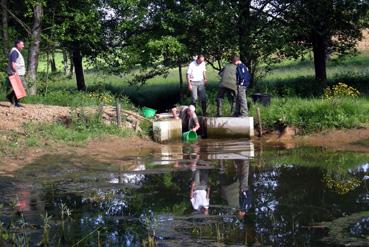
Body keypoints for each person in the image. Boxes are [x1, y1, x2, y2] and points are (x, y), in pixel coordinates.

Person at [6, 39, 27, 107]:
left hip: (18, 73)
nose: (23, 46)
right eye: (22, 44)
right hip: (16, 73)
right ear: (18, 45)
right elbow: (13, 64)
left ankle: (15, 101)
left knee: (20, 88)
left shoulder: (16, 51)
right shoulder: (14, 52)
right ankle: (12, 99)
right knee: (22, 88)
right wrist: (16, 72)